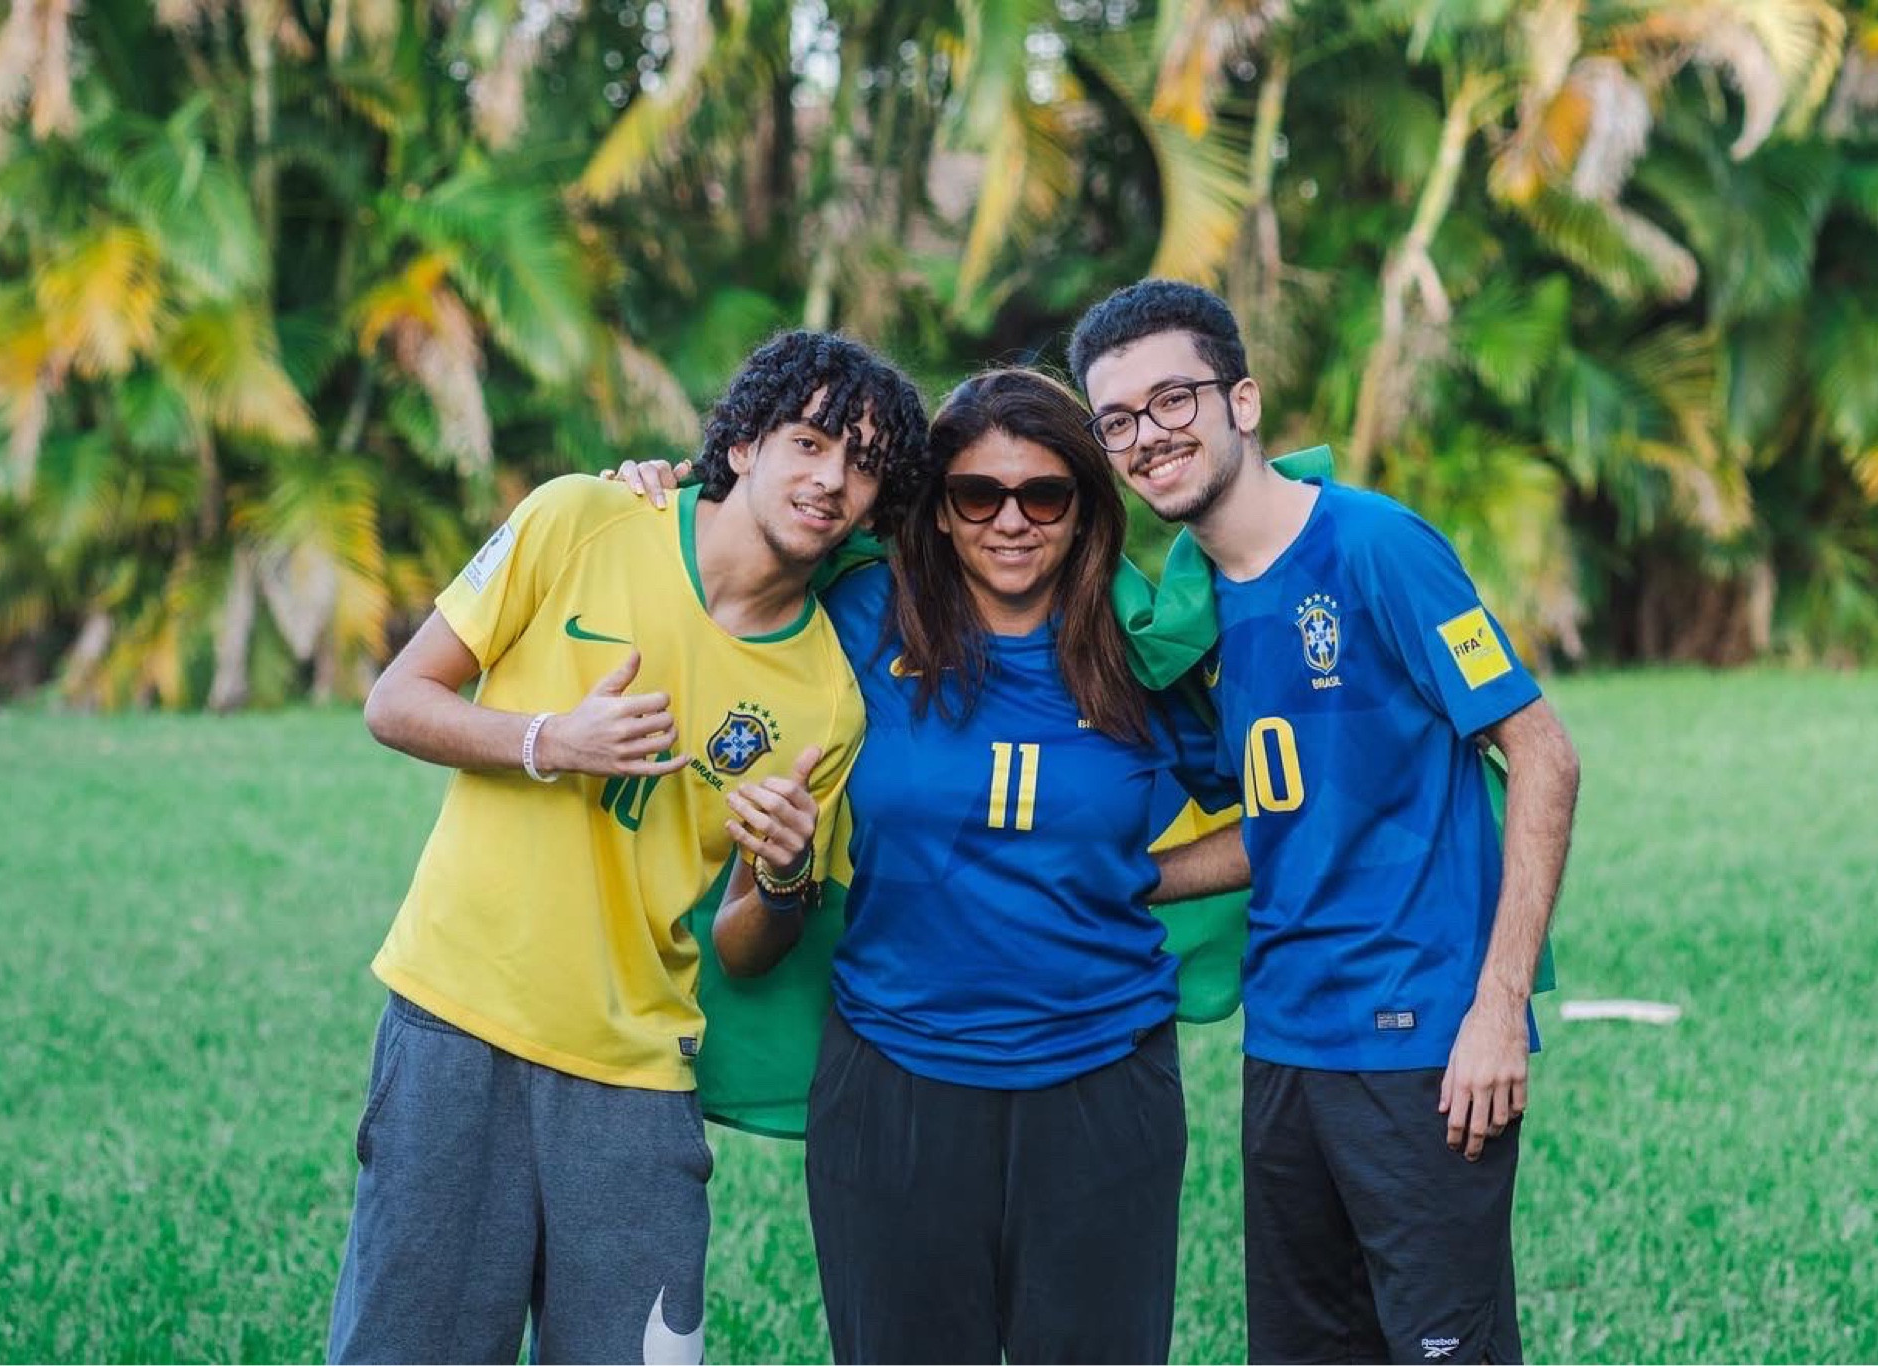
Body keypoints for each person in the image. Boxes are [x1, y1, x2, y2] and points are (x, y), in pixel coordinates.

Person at [325, 330, 932, 1365]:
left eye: (864, 464)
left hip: (637, 1070)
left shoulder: (826, 696)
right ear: (743, 445)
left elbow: (747, 944)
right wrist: (547, 740)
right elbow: (395, 701)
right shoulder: (583, 518)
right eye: (809, 441)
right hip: (457, 1015)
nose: (831, 478)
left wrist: (783, 875)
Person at [1068, 279, 1582, 1365]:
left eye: (1172, 400)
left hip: (1420, 1043)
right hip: (1286, 1042)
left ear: (1240, 401)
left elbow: (1541, 753)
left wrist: (1494, 1012)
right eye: (1117, 421)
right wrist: (1128, 875)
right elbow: (1278, 819)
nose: (1147, 436)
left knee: (1444, 1347)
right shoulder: (1195, 608)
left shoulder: (1372, 546)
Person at [701, 368, 1249, 1364]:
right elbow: (732, 553)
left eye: (1043, 494)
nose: (1010, 520)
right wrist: (651, 490)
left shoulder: (1140, 651)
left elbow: (1284, 803)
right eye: (975, 495)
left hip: (1103, 1082)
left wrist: (1140, 876)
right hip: (892, 1083)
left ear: (1083, 509)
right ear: (937, 511)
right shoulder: (861, 612)